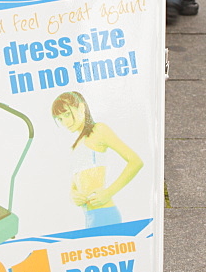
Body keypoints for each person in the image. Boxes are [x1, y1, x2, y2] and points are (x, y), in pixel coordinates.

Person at [51, 91, 143, 228]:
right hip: (89, 216)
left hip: (104, 214)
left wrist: (108, 192)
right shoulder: (76, 145)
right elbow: (75, 183)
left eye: (67, 114)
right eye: (60, 119)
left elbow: (136, 161)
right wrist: (73, 195)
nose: (65, 122)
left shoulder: (98, 130)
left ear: (81, 108)